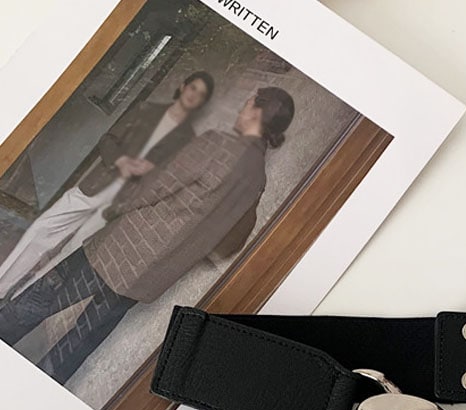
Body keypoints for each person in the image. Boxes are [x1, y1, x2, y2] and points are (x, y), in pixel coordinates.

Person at [0, 86, 295, 385]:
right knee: (80, 341)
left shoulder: (217, 143)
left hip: (117, 250)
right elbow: (232, 242)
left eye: (248, 103)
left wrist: (116, 209)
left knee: (41, 299)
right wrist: (191, 245)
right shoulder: (257, 179)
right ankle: (32, 392)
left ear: (257, 111)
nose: (242, 108)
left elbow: (157, 184)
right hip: (149, 277)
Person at [0, 71, 215, 300]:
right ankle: (2, 285)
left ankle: (20, 300)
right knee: (43, 228)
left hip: (123, 200)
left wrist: (151, 170)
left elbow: (168, 177)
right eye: (193, 88)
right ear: (182, 86)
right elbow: (108, 139)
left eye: (201, 94)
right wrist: (120, 160)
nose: (194, 95)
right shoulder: (145, 109)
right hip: (99, 182)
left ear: (202, 102)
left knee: (71, 252)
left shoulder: (187, 137)